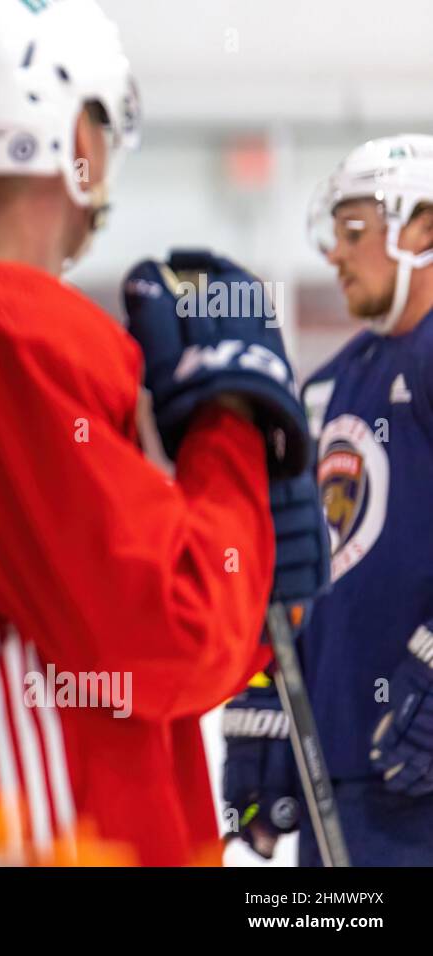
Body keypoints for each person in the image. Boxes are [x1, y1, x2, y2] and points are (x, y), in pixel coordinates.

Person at [0, 0, 316, 866]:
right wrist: (231, 425)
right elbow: (179, 635)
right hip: (31, 840)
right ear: (76, 134)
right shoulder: (0, 333)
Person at [226, 135, 433, 866]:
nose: (334, 256)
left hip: (421, 774)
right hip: (344, 774)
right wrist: (264, 706)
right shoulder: (337, 379)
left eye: (353, 232)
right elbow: (304, 563)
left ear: (424, 228)